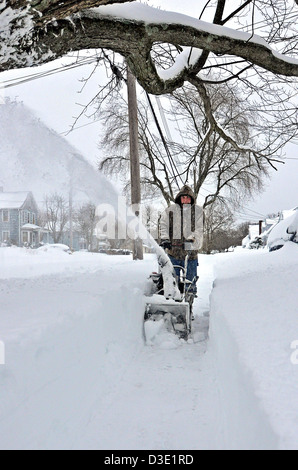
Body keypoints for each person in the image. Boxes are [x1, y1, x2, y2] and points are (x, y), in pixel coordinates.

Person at [159, 185, 204, 307]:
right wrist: (165, 239)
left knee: (190, 282)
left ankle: (189, 306)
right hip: (173, 252)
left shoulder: (198, 212)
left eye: (187, 198)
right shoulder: (171, 211)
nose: (185, 200)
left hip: (190, 254)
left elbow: (199, 229)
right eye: (183, 198)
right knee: (172, 280)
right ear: (179, 198)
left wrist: (192, 238)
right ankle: (173, 305)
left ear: (191, 199)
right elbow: (163, 224)